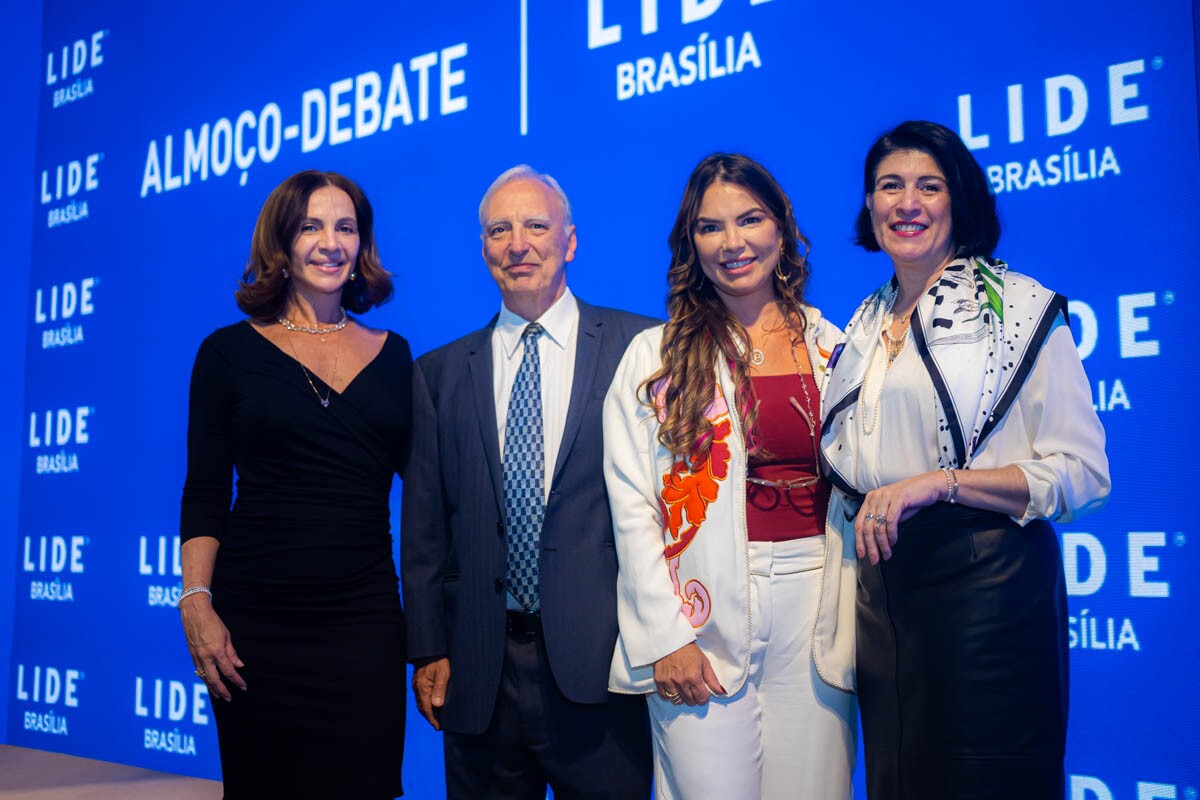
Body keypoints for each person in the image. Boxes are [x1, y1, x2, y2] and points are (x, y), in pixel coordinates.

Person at [821, 120, 1111, 799]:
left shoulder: (1017, 307)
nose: (907, 203)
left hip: (987, 595)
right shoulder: (863, 322)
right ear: (869, 205)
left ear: (962, 202)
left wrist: (941, 484)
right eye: (889, 186)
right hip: (885, 600)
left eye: (929, 185)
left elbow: (1085, 473)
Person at [603, 153, 857, 800]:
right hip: (700, 617)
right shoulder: (654, 358)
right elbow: (634, 511)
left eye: (750, 220)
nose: (733, 243)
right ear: (691, 242)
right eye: (711, 227)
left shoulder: (835, 345)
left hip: (820, 610)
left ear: (782, 228)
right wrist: (664, 637)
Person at [401, 164, 656, 799]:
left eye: (535, 225)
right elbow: (425, 529)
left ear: (570, 240)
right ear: (483, 248)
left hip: (605, 666)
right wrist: (428, 648)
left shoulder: (642, 347)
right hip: (479, 672)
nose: (518, 244)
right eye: (499, 230)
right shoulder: (436, 373)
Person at [179, 170, 410, 799]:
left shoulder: (395, 356)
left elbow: (429, 495)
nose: (331, 243)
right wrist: (196, 602)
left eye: (346, 228)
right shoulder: (226, 353)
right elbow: (204, 491)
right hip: (256, 628)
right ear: (281, 241)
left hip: (363, 624)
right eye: (311, 226)